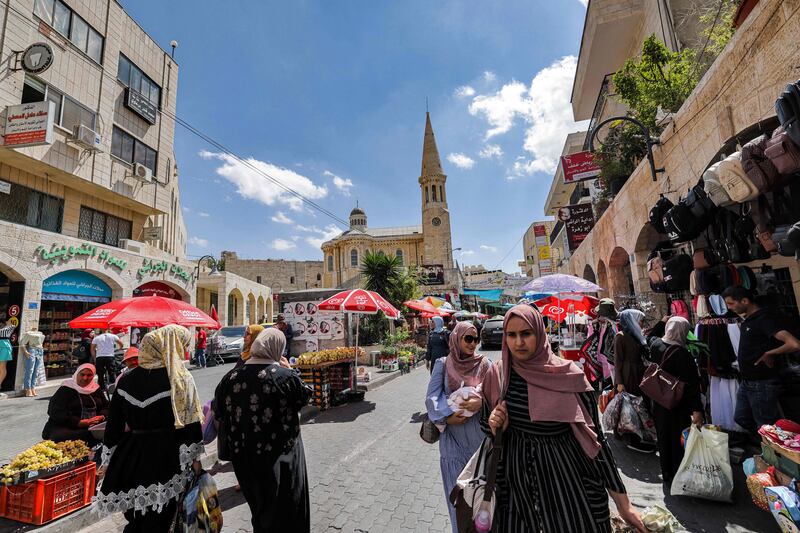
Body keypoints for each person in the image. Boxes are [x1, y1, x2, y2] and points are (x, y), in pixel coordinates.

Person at [482, 305, 645, 532]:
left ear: (540, 333)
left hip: (569, 487)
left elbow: (596, 441)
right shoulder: (499, 375)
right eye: (512, 335)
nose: (518, 342)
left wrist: (624, 505)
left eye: (526, 334)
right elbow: (484, 423)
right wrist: (494, 423)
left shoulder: (569, 377)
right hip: (516, 491)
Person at [95, 325, 204, 532]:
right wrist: (195, 459)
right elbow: (190, 423)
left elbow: (114, 424)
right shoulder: (179, 379)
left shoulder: (126, 379)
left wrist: (108, 459)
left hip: (132, 454)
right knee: (161, 516)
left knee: (136, 515)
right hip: (166, 455)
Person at [214, 328, 312, 532]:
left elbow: (218, 410)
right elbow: (304, 397)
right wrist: (292, 371)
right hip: (281, 459)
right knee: (287, 511)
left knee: (260, 510)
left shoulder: (230, 377)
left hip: (245, 460)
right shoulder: (284, 376)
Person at [425, 321, 491, 533]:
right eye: (468, 338)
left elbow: (495, 394)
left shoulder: (485, 364)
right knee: (457, 501)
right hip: (452, 442)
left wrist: (482, 401)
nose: (473, 344)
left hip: (479, 442)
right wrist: (447, 416)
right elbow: (432, 397)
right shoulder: (443, 364)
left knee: (481, 499)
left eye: (476, 339)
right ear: (456, 338)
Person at [722, 286, 800, 435]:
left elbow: (794, 344)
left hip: (762, 383)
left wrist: (770, 353)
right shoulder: (749, 320)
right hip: (748, 381)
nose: (729, 308)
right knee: (742, 417)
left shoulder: (764, 319)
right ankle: (772, 443)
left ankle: (775, 450)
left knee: (765, 426)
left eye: (731, 303)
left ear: (744, 301)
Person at [647, 316, 703, 486]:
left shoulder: (656, 345)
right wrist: (697, 410)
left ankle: (666, 471)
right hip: (677, 403)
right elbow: (692, 385)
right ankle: (679, 472)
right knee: (678, 436)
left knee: (663, 435)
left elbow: (650, 336)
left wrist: (662, 322)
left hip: (658, 399)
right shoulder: (682, 354)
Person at [42, 363, 108, 445]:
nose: (85, 378)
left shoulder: (95, 388)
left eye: (89, 375)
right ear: (77, 374)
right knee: (63, 437)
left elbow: (106, 406)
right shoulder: (66, 388)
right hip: (69, 426)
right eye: (82, 375)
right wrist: (78, 422)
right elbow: (55, 411)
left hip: (93, 426)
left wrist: (101, 416)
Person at [20, 323, 45, 397]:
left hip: (40, 350)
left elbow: (41, 342)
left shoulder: (40, 333)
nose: (34, 325)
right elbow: (22, 343)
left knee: (36, 370)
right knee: (30, 370)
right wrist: (26, 351)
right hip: (32, 349)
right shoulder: (28, 333)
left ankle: (33, 387)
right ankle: (28, 389)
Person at [0, 316, 15, 388]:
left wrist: (7, 322)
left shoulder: (9, 327)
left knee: (2, 366)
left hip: (4, 347)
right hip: (3, 346)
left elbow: (13, 325)